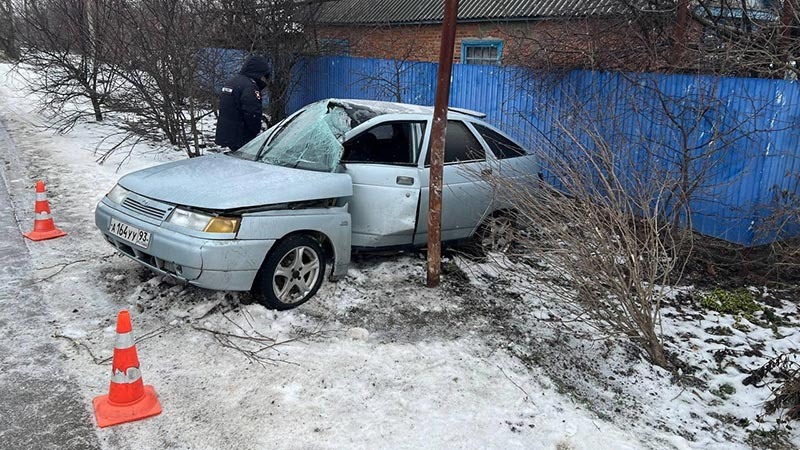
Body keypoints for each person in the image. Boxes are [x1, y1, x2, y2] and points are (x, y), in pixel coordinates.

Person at [214, 55, 271, 151]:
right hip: (241, 136)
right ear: (259, 73)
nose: (263, 79)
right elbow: (252, 112)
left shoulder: (232, 82)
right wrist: (256, 131)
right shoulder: (250, 87)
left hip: (227, 133)